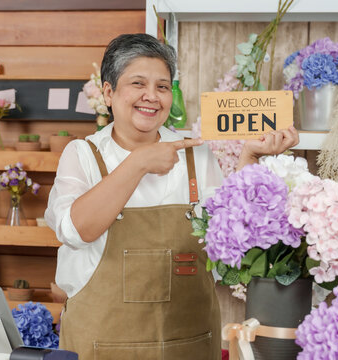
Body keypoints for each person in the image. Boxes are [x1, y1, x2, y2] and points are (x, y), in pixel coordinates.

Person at [45, 33, 299, 360]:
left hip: (189, 345)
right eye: (138, 83)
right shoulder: (82, 154)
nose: (152, 96)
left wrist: (250, 157)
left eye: (163, 87)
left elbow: (232, 238)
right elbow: (75, 231)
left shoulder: (195, 155)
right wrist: (139, 161)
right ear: (108, 92)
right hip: (100, 345)